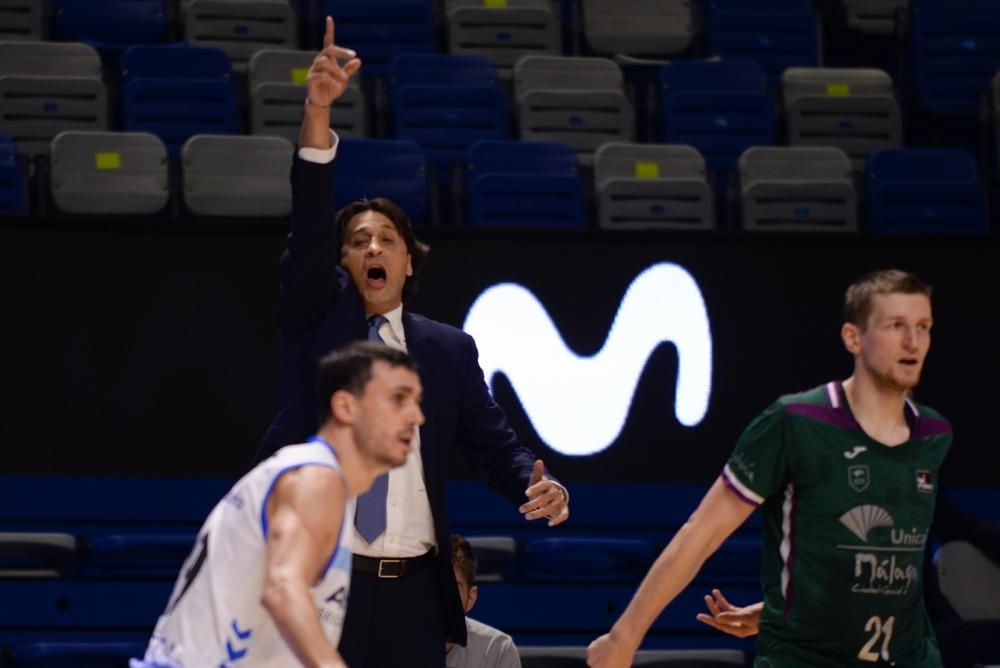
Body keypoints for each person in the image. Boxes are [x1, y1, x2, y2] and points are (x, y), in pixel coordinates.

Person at [253, 17, 570, 667]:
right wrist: (317, 112)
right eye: (358, 240)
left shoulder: (448, 351)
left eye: (386, 240)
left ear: (407, 264)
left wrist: (533, 486)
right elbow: (310, 228)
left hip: (413, 595)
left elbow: (493, 446)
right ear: (343, 263)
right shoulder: (318, 323)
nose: (372, 247)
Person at [588, 269, 951, 668]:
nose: (912, 341)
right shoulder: (794, 421)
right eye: (895, 325)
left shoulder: (934, 434)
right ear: (853, 337)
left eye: (923, 326)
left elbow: (880, 563)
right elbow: (702, 533)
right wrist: (623, 638)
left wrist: (773, 610)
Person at [132, 341, 425, 668]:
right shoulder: (316, 478)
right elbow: (283, 588)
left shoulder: (313, 477)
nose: (417, 416)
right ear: (345, 407)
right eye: (399, 399)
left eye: (417, 402)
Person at [447, 535, 522, 668]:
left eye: (452, 588)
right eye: (432, 588)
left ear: (470, 598)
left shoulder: (496, 649)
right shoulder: (397, 644)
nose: (441, 598)